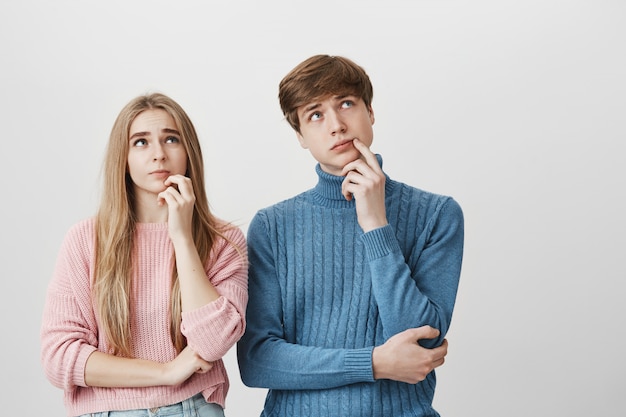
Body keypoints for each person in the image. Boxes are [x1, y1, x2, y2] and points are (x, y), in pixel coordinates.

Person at [237, 55, 464, 417]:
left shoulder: (437, 214)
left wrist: (376, 224)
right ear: (300, 135)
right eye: (316, 114)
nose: (337, 125)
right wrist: (373, 363)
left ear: (370, 111)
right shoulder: (271, 226)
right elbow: (257, 361)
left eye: (346, 103)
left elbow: (423, 340)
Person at [40, 93, 248, 417]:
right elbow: (59, 357)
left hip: (193, 408)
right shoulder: (85, 240)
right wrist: (165, 373)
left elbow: (213, 343)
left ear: (188, 151)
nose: (159, 155)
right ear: (122, 157)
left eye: (171, 139)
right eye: (141, 142)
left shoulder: (223, 241)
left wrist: (181, 236)